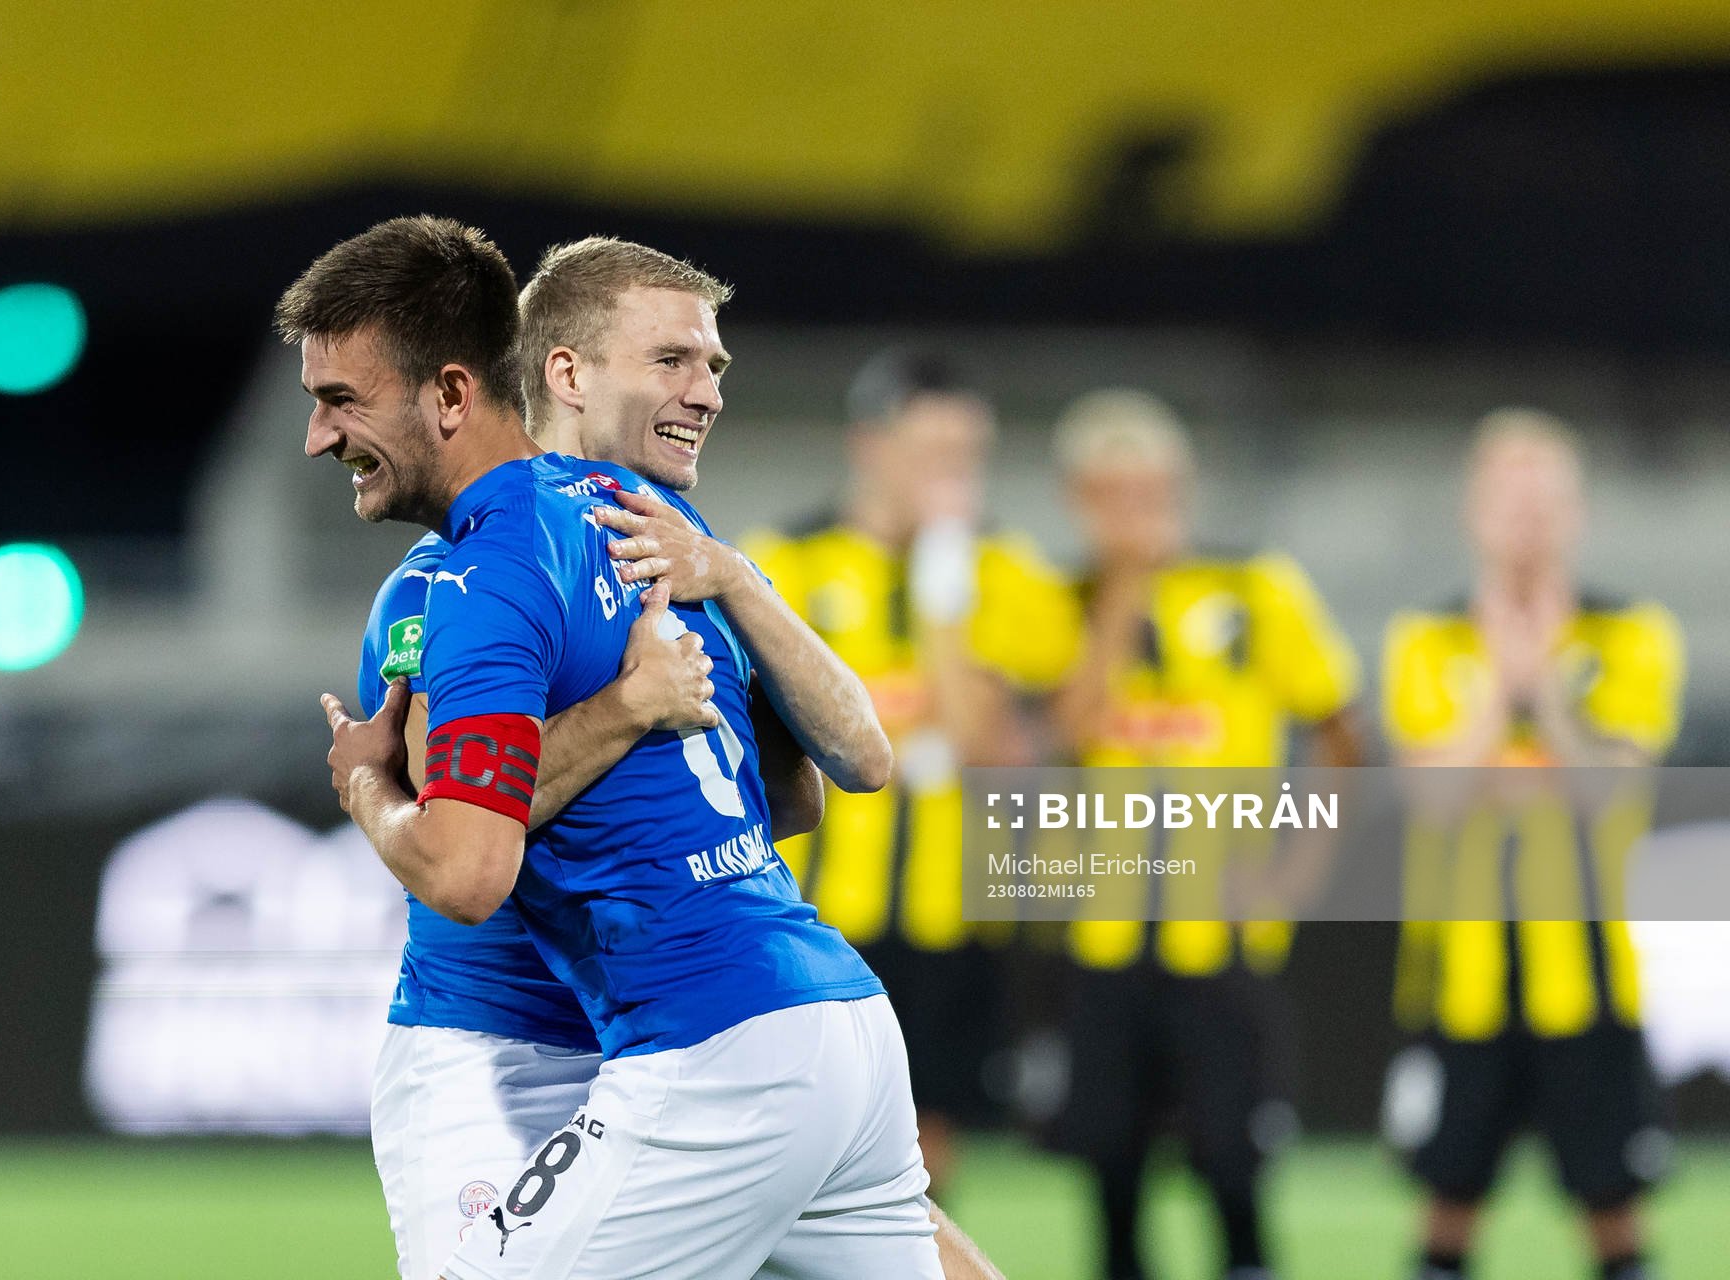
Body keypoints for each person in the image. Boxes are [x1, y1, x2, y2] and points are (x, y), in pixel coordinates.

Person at [280, 215, 940, 1279]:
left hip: (653, 1038)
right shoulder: (658, 542)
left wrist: (364, 783)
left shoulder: (469, 577)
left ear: (453, 393)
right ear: (564, 372)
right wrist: (632, 708)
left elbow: (463, 861)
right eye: (674, 358)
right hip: (826, 1010)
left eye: (337, 401)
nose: (708, 389)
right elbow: (799, 792)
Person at [740, 350, 1080, 1199]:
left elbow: (986, 744)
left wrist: (944, 589)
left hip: (946, 914)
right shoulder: (781, 562)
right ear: (870, 445)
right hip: (798, 906)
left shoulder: (1008, 572)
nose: (951, 475)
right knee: (782, 1143)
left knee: (924, 1149)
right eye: (931, 453)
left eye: (966, 456)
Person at [1044, 390, 1362, 1280]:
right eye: (1111, 495)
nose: (1134, 513)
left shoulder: (1256, 588)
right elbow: (1066, 730)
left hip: (1220, 938)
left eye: (1149, 491)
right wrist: (1125, 591)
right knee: (1108, 1168)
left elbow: (1342, 736)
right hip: (1101, 938)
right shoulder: (1059, 601)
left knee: (1233, 1167)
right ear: (1079, 500)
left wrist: (1296, 874)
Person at [1381, 409, 1684, 1280]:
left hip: (1587, 974)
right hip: (1461, 976)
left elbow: (1609, 788)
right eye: (1508, 498)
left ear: (1576, 512)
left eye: (1544, 499)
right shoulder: (1426, 638)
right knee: (1446, 1206)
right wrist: (1496, 697)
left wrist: (1542, 688)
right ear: (1474, 510)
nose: (1526, 519)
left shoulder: (1630, 634)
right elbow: (1433, 797)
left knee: (1613, 1210)